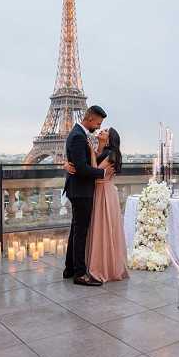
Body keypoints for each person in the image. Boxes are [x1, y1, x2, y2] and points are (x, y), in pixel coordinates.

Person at [66, 128, 129, 282]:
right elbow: (80, 164)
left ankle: (103, 266)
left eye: (106, 130)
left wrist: (92, 153)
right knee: (94, 228)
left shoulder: (110, 154)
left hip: (104, 194)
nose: (102, 130)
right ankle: (83, 264)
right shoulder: (97, 150)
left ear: (110, 138)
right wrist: (65, 165)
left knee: (102, 229)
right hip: (95, 193)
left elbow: (96, 174)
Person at [62, 106, 113, 286]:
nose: (98, 127)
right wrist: (103, 174)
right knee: (80, 232)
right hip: (81, 191)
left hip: (77, 189)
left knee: (76, 230)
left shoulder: (78, 134)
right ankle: (80, 274)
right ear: (90, 119)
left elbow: (77, 163)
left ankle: (69, 268)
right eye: (98, 123)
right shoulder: (78, 136)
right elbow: (82, 169)